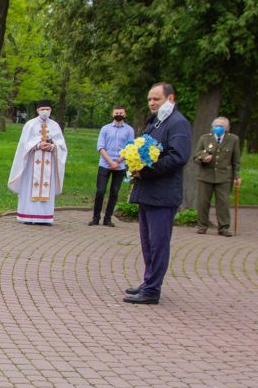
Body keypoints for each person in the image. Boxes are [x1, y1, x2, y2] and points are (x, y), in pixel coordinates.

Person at [124, 82, 192, 304]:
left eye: (156, 99)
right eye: (150, 100)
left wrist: (147, 170)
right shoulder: (156, 122)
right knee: (147, 242)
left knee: (158, 243)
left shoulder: (177, 123)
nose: (152, 103)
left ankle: (153, 290)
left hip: (163, 194)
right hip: (148, 192)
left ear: (170, 99)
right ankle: (148, 282)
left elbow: (178, 156)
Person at [8, 100, 68, 225]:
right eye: (42, 109)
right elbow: (23, 145)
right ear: (37, 110)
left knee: (47, 186)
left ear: (51, 110)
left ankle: (45, 217)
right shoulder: (30, 124)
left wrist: (52, 147)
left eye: (48, 109)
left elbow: (62, 146)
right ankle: (27, 216)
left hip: (49, 162)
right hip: (31, 163)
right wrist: (38, 144)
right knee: (30, 187)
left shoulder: (55, 126)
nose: (45, 111)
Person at [193, 116, 241, 236]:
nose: (218, 128)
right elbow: (196, 156)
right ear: (212, 127)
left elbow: (236, 160)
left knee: (223, 203)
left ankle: (223, 227)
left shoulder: (233, 139)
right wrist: (203, 158)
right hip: (205, 176)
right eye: (216, 126)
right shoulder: (205, 138)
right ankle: (202, 226)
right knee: (203, 202)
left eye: (221, 126)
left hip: (224, 177)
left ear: (227, 128)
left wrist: (236, 176)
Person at [90, 105, 135, 227]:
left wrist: (118, 161)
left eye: (121, 112)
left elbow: (130, 147)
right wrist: (110, 161)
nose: (118, 114)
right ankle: (95, 217)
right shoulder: (105, 129)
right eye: (116, 112)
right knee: (100, 191)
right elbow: (100, 146)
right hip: (105, 164)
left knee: (114, 192)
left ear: (124, 114)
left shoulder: (129, 130)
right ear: (112, 114)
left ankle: (108, 219)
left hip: (120, 165)